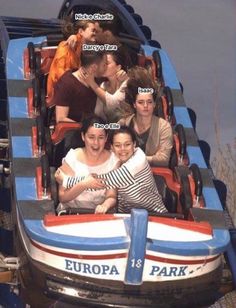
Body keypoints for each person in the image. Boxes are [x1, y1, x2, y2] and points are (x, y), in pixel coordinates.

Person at [57, 126, 167, 214]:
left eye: (127, 144)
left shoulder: (138, 161)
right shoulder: (117, 162)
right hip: (128, 216)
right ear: (112, 148)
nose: (123, 149)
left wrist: (66, 180)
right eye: (118, 145)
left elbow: (101, 182)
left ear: (134, 144)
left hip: (155, 215)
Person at [56, 116, 119, 214]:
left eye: (101, 137)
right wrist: (84, 184)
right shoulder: (73, 157)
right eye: (91, 137)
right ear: (83, 136)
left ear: (106, 138)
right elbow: (63, 197)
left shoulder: (113, 160)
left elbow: (111, 196)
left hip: (98, 216)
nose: (96, 143)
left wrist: (105, 206)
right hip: (70, 213)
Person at [119, 66, 173, 167]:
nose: (145, 106)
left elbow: (163, 159)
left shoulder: (164, 127)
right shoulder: (123, 124)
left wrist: (132, 158)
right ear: (134, 104)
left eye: (149, 102)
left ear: (154, 104)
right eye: (140, 102)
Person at [47, 19, 97, 103]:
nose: (95, 33)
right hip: (60, 94)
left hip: (70, 90)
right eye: (93, 30)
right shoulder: (65, 46)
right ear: (81, 31)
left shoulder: (81, 48)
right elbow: (61, 76)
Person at [52, 49, 107, 123]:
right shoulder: (66, 83)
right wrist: (85, 128)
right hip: (77, 130)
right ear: (94, 67)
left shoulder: (100, 78)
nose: (106, 67)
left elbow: (112, 102)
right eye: (104, 65)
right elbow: (61, 118)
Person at [80, 46, 133, 122]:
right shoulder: (103, 85)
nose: (103, 66)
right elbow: (98, 113)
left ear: (118, 67)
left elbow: (113, 104)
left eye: (107, 63)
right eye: (103, 63)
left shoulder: (127, 82)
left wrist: (92, 83)